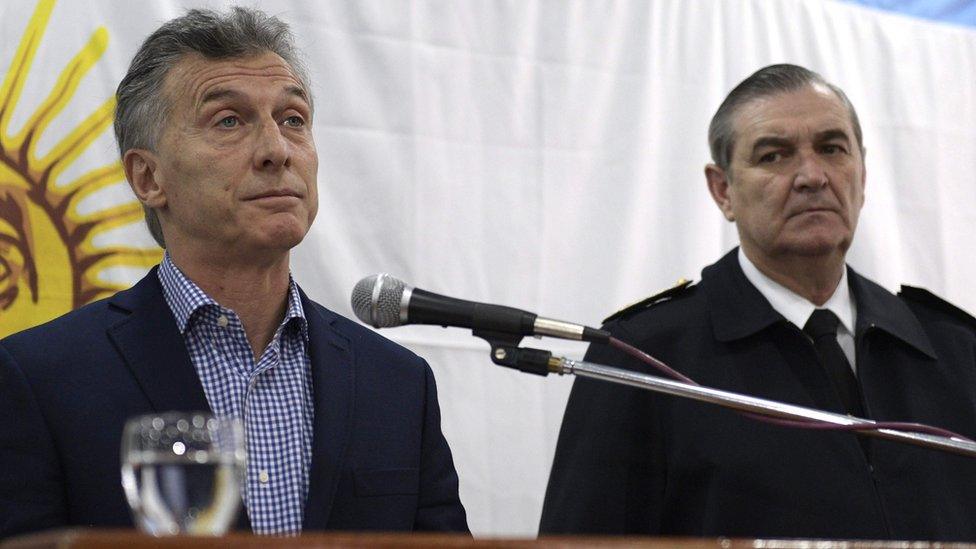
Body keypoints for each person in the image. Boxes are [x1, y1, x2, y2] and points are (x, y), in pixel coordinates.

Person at [0, 7, 467, 538]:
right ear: (149, 177)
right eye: (229, 120)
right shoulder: (39, 379)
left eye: (293, 120)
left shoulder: (398, 384)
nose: (276, 151)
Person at [539, 64, 976, 540]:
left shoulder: (955, 350)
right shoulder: (644, 357)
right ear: (723, 190)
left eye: (831, 149)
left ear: (862, 175)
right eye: (774, 156)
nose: (813, 176)